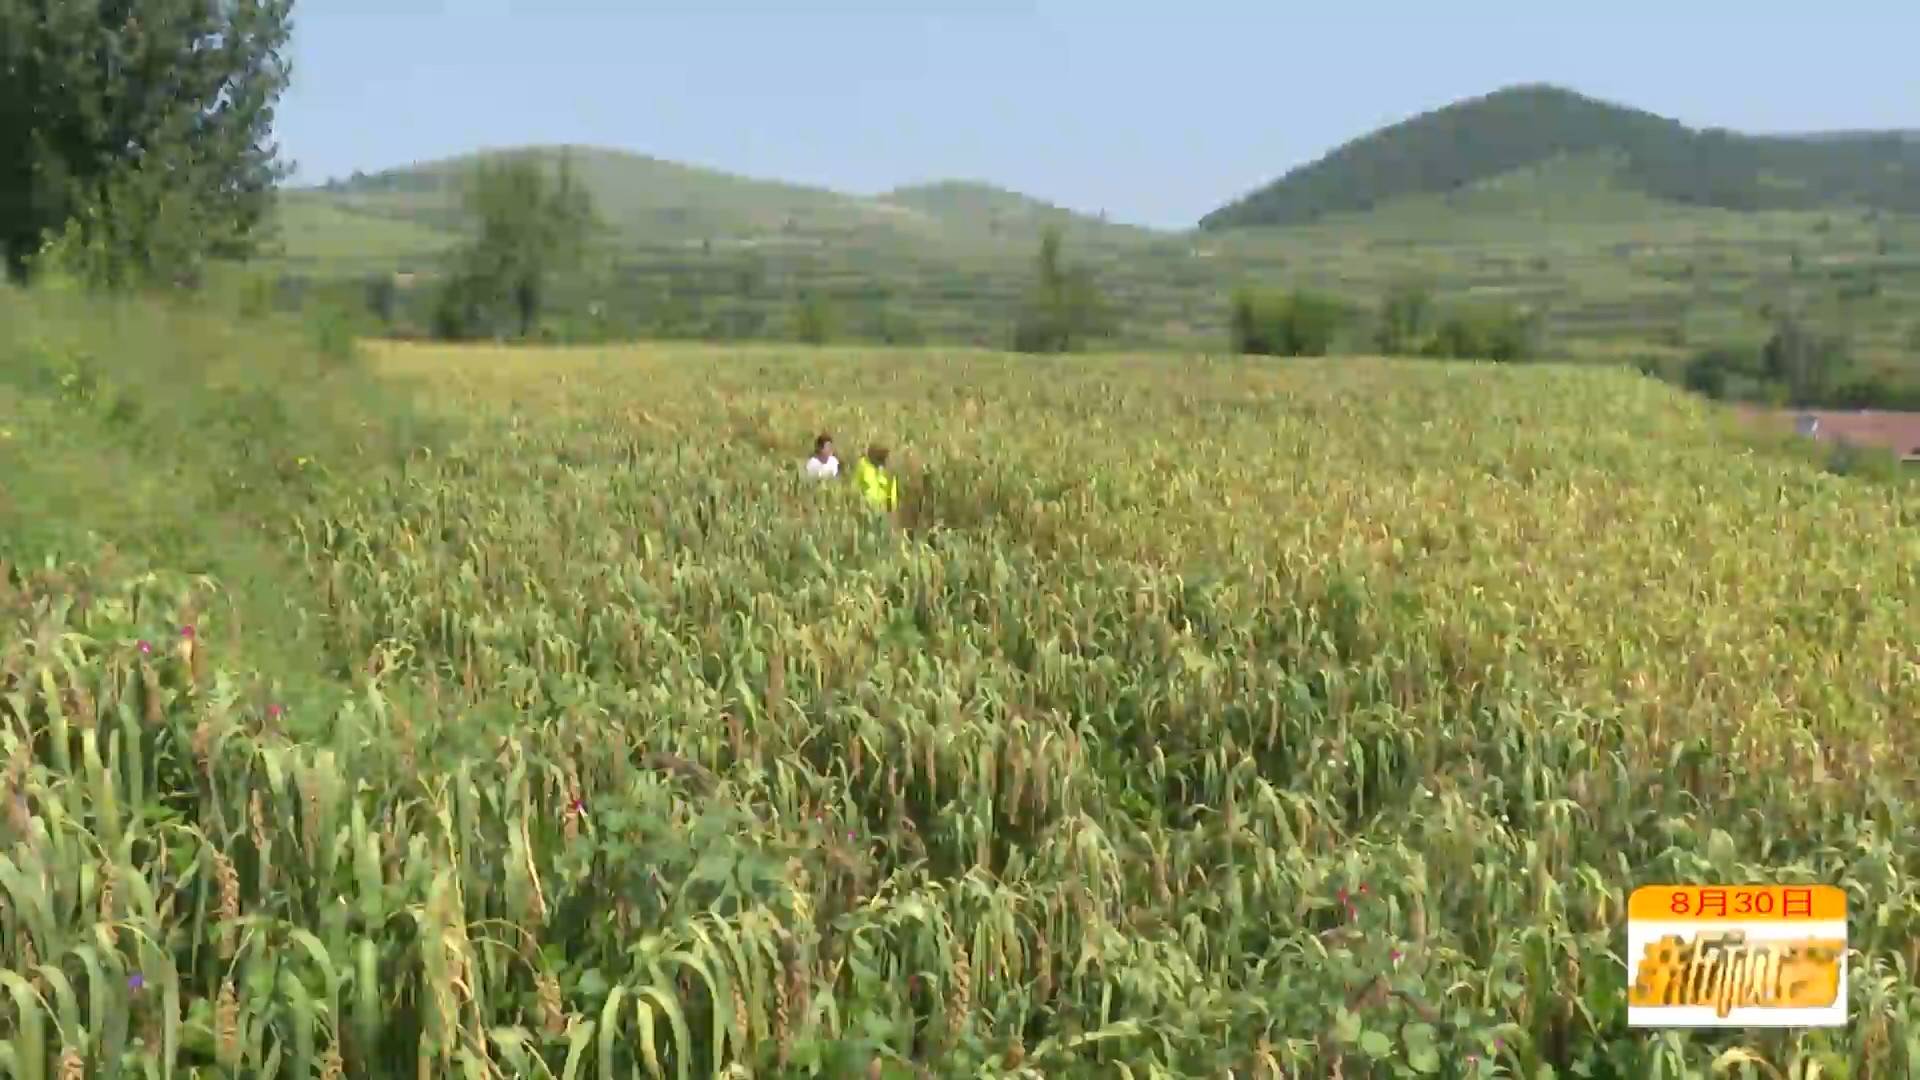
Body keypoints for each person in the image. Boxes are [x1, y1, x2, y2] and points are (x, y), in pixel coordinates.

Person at [853, 445, 899, 511]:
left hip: (882, 510)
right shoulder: (863, 465)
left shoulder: (889, 472)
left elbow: (893, 499)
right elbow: (855, 486)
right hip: (865, 509)